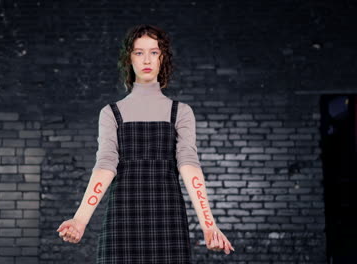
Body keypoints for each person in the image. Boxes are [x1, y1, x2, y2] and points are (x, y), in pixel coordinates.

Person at [56, 24, 234, 263]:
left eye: (154, 52)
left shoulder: (181, 112)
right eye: (139, 52)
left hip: (168, 217)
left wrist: (209, 225)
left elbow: (189, 165)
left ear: (163, 58)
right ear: (129, 59)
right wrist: (80, 219)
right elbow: (106, 165)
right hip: (123, 216)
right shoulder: (111, 113)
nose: (146, 59)